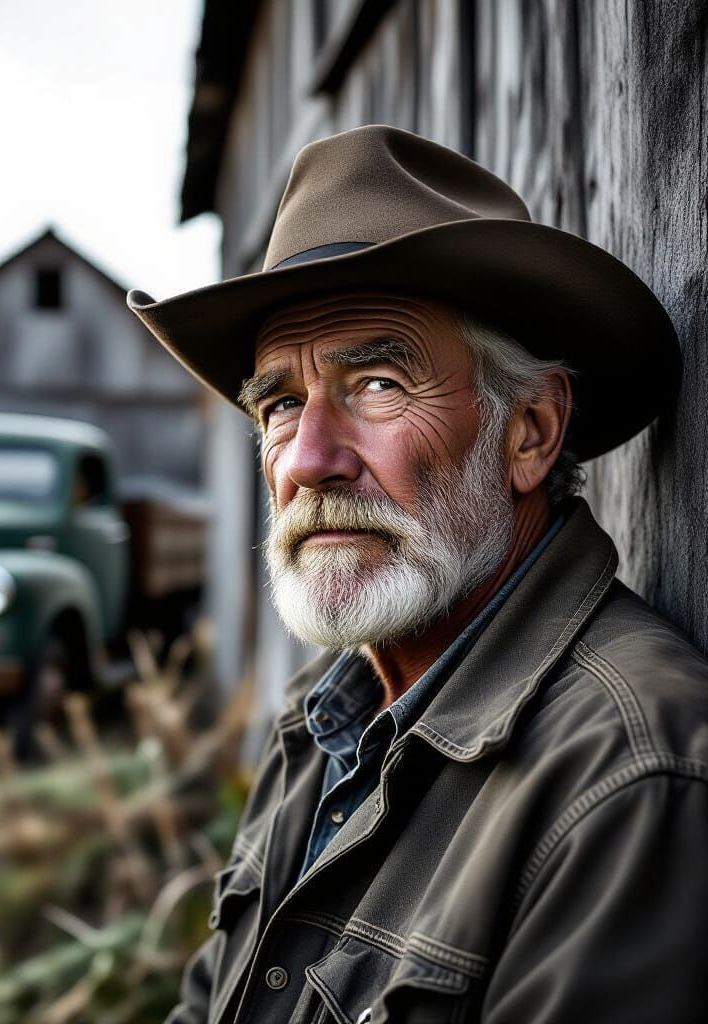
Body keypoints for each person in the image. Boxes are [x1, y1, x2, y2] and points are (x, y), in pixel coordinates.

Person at [128, 125, 708, 1023]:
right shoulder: (327, 719)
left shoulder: (629, 770)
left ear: (529, 434)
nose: (309, 459)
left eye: (379, 386)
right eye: (281, 404)